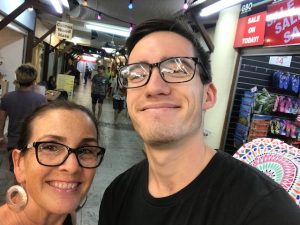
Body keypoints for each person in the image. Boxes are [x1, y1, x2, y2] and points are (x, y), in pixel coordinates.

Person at [98, 19, 300, 225]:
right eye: (137, 74)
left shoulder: (267, 212)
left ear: (208, 95)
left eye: (177, 70)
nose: (154, 87)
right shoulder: (117, 194)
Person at [0, 100, 106, 225]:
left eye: (86, 150)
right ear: (19, 163)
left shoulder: (68, 216)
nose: (72, 167)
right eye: (50, 147)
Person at [0, 63, 47, 171]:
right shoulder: (41, 99)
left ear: (17, 78)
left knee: (16, 171)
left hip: (13, 142)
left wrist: (1, 136)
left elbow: (1, 119)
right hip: (33, 142)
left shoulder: (7, 97)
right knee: (30, 172)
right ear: (34, 79)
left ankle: (16, 186)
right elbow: (44, 122)